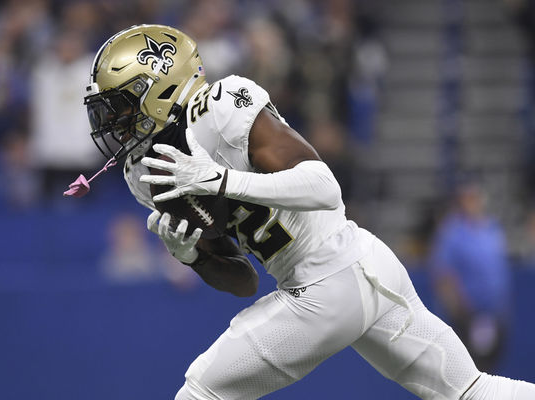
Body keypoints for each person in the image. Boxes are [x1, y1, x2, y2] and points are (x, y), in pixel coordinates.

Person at [72, 24, 535, 399]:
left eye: (120, 105)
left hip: (325, 281)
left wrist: (221, 180)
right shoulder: (148, 171)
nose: (112, 122)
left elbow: (325, 187)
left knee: (201, 392)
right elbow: (243, 280)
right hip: (359, 269)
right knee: (473, 392)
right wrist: (191, 255)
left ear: (161, 84)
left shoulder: (221, 106)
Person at [429, 181, 512, 373]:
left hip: (495, 315)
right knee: (470, 371)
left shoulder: (492, 228)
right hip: (468, 316)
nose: (472, 203)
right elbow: (443, 274)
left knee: (491, 369)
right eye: (467, 198)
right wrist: (459, 311)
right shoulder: (452, 232)